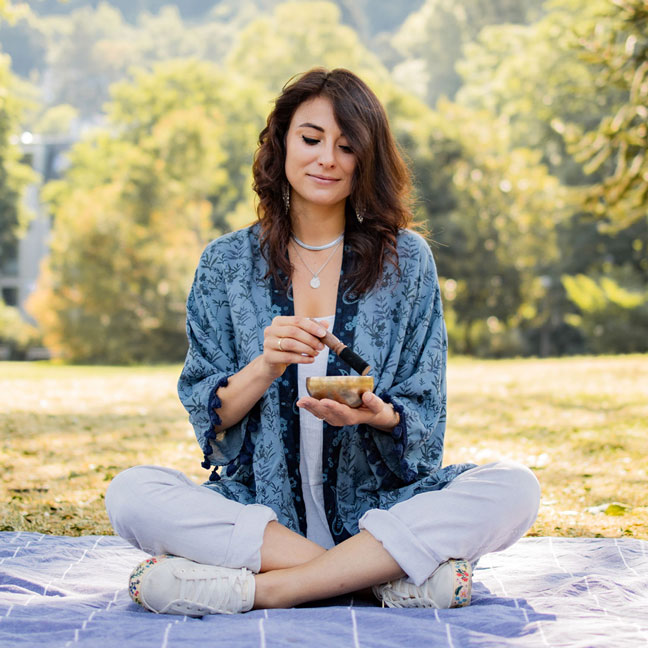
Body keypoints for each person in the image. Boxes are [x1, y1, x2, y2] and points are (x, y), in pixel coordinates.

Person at [105, 67, 540, 616]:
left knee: (514, 487)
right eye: (310, 139)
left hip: (379, 511)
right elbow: (209, 419)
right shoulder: (225, 264)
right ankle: (375, 580)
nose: (326, 159)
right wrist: (265, 364)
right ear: (281, 143)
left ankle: (270, 589)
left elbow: (425, 416)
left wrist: (377, 416)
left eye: (346, 146)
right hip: (262, 515)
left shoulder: (407, 262)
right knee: (130, 494)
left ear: (367, 159)